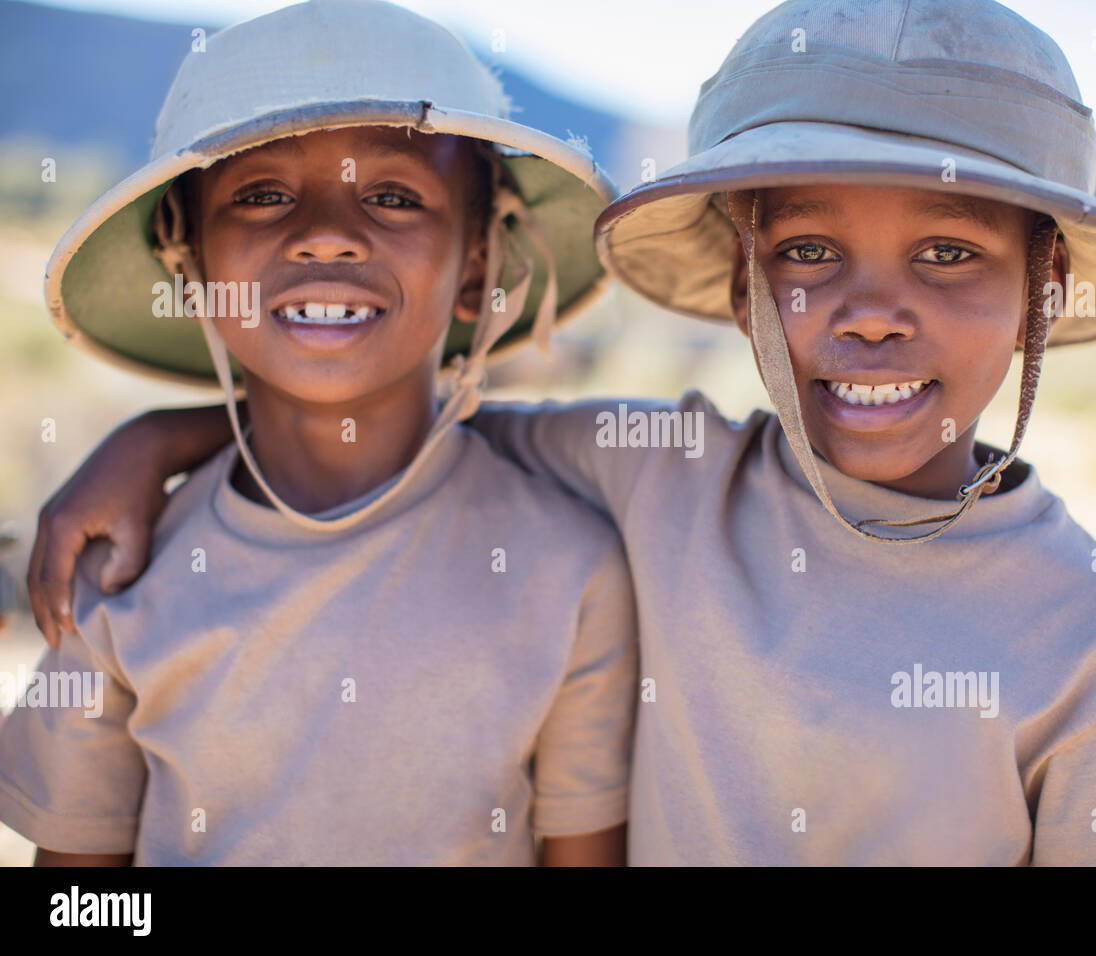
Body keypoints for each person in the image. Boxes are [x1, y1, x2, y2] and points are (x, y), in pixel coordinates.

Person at [23, 0, 1096, 864]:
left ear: (1047, 288)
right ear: (740, 284)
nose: (872, 312)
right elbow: (386, 418)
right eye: (803, 252)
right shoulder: (665, 477)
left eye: (949, 253)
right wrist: (159, 441)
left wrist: (157, 441)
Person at [1, 0, 637, 866]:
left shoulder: (568, 572)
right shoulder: (117, 576)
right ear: (188, 263)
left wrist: (155, 438)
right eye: (261, 195)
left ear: (479, 260)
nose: (329, 237)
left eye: (391, 195)